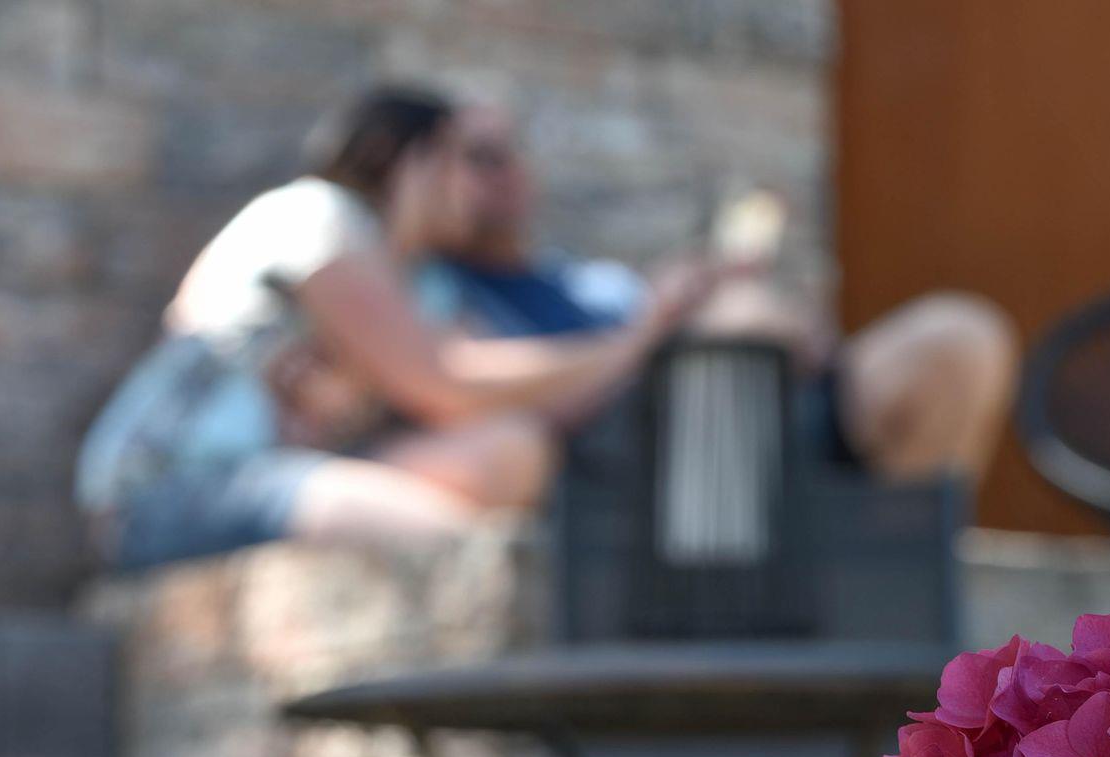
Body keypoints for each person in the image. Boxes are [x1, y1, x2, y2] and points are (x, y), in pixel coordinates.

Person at [76, 87, 724, 568]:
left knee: (512, 450)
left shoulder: (428, 283)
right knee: (459, 552)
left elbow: (521, 393)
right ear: (412, 161)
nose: (476, 186)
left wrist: (649, 335)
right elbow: (445, 383)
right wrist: (637, 338)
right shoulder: (315, 219)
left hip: (296, 472)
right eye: (465, 160)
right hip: (172, 491)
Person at [426, 99, 1020, 483]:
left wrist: (744, 305)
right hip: (650, 465)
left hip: (786, 418)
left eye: (511, 152)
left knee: (961, 337)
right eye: (479, 158)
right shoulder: (437, 294)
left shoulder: (594, 281)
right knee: (735, 316)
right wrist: (651, 335)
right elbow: (472, 394)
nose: (506, 171)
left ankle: (904, 564)